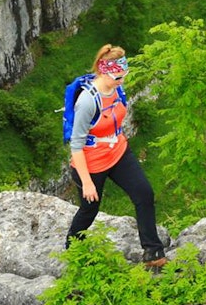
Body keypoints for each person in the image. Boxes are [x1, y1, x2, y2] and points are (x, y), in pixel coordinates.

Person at [65, 44, 166, 268]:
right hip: (91, 161)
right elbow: (76, 144)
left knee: (144, 193)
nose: (122, 80)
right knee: (89, 208)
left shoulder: (117, 89)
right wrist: (87, 182)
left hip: (118, 151)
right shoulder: (87, 101)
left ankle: (153, 252)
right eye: (118, 76)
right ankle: (72, 249)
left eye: (124, 75)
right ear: (105, 72)